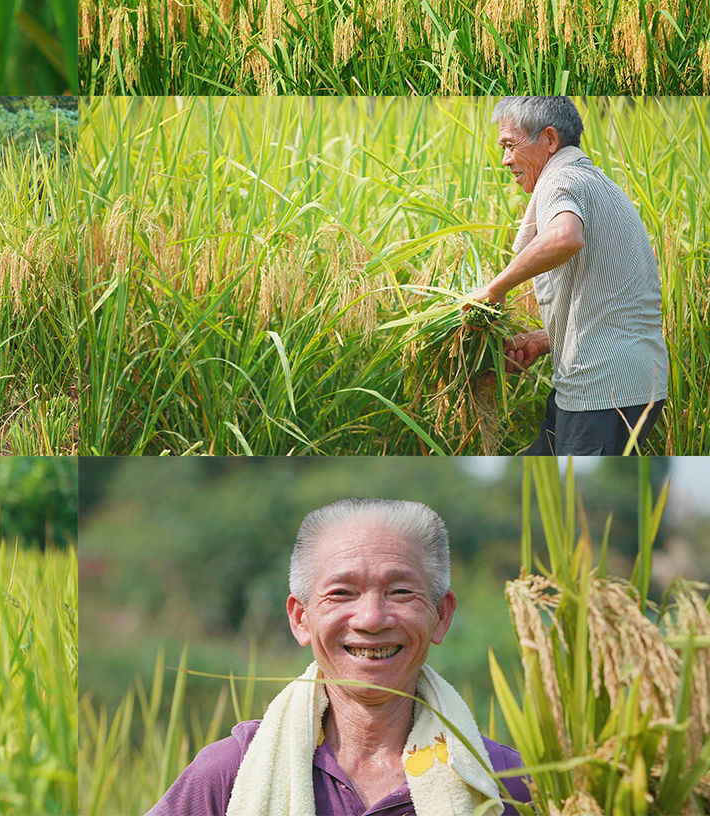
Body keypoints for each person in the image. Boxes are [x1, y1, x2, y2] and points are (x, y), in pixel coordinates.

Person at [146, 499, 533, 816]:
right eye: (342, 593)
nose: (371, 619)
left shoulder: (500, 781)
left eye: (400, 591)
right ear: (301, 618)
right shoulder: (230, 773)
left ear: (441, 616)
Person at [472, 94, 668, 456]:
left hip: (601, 391)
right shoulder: (601, 185)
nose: (505, 160)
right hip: (627, 385)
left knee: (567, 504)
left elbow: (565, 236)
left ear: (549, 140)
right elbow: (612, 300)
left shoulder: (559, 179)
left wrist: (494, 289)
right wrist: (544, 340)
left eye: (510, 145)